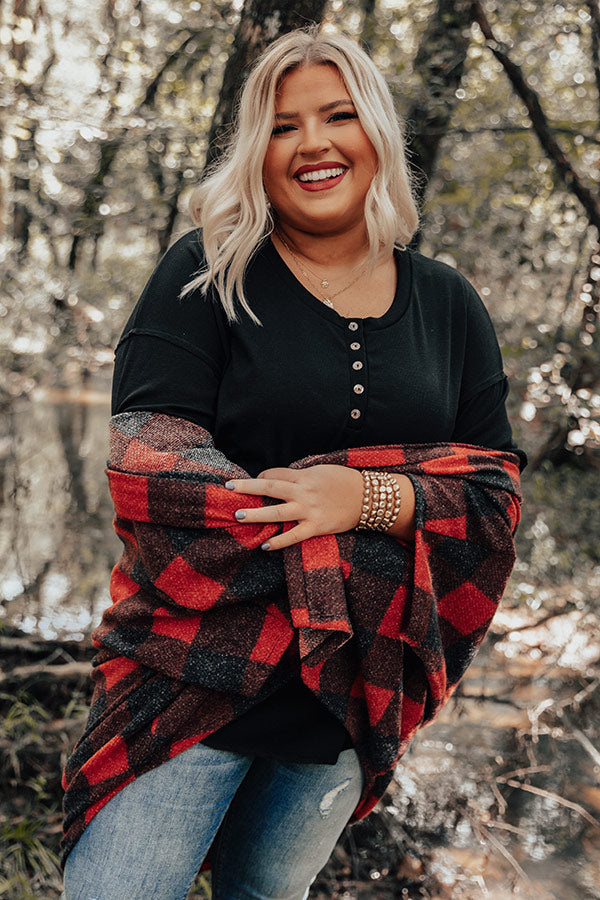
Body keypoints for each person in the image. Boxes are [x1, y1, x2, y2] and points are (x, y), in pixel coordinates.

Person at [60, 26, 525, 900]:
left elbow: (492, 504)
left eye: (337, 116)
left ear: (376, 132)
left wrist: (366, 498)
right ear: (256, 151)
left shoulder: (450, 305)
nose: (313, 143)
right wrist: (353, 559)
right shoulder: (205, 274)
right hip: (190, 676)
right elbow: (150, 467)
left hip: (354, 691)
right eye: (282, 126)